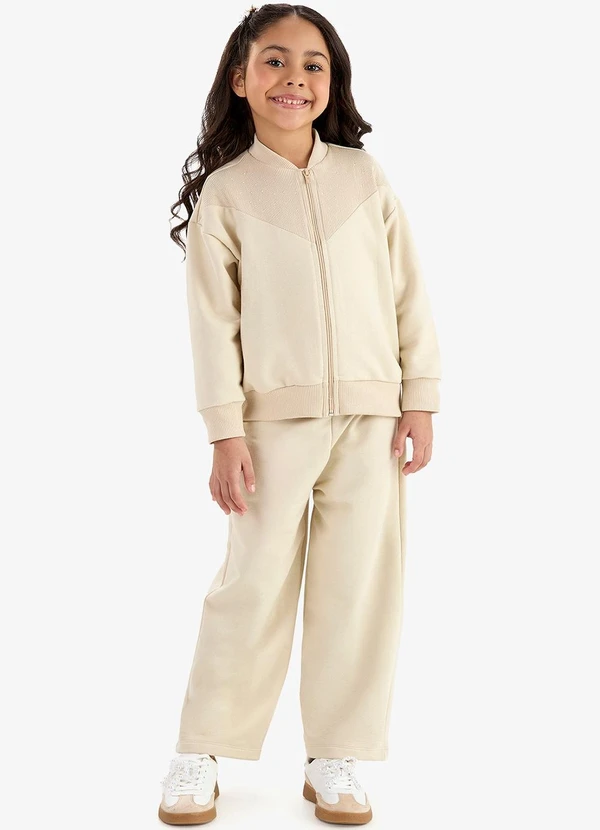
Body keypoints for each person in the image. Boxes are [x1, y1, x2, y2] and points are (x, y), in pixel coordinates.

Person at [159, 3, 442, 825]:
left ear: (333, 81)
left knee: (359, 588)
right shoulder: (228, 193)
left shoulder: (364, 178)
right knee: (249, 586)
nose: (295, 78)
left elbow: (409, 294)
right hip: (268, 427)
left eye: (314, 64)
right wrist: (224, 430)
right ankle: (200, 748)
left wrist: (419, 397)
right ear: (240, 79)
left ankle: (335, 754)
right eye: (275, 61)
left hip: (372, 418)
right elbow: (212, 323)